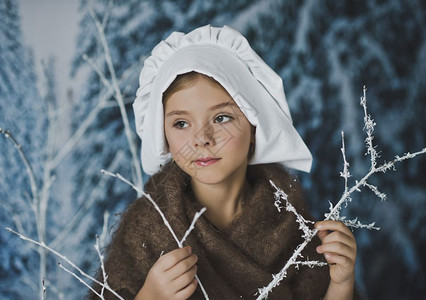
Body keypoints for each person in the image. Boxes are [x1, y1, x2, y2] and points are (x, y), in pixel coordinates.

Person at [90, 25, 358, 300]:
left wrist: (341, 284)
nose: (202, 139)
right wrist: (150, 296)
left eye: (221, 118)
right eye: (181, 123)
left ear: (254, 125)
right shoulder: (147, 228)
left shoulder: (293, 224)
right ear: (163, 135)